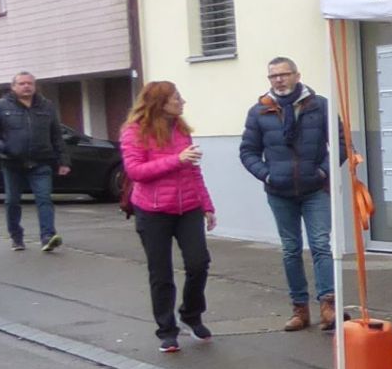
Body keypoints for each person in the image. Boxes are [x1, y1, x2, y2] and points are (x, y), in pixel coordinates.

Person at [239, 57, 336, 332]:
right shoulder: (259, 111)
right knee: (291, 249)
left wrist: (322, 172)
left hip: (314, 188)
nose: (279, 80)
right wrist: (266, 174)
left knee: (320, 245)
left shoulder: (320, 105)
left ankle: (328, 305)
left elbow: (340, 143)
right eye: (273, 76)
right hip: (279, 191)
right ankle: (299, 309)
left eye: (284, 74)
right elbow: (247, 151)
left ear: (297, 75)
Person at [118, 83, 215, 352]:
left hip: (188, 208)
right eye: (176, 98)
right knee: (161, 272)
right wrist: (177, 159)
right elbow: (136, 171)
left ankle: (191, 314)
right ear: (160, 103)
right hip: (152, 210)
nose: (182, 102)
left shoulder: (181, 130)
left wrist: (207, 205)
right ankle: (166, 330)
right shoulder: (134, 131)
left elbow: (193, 171)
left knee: (199, 263)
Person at [0, 72, 68, 253]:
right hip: (12, 163)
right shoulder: (0, 106)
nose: (26, 86)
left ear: (35, 86)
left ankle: (48, 236)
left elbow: (56, 135)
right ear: (13, 86)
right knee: (12, 201)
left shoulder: (46, 106)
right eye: (22, 83)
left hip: (41, 161)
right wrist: (3, 147)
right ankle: (16, 236)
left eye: (30, 83)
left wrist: (63, 161)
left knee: (44, 199)